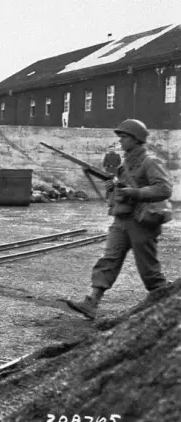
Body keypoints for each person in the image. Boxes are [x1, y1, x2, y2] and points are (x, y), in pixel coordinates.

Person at [66, 119, 173, 320]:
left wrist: (134, 192)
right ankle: (92, 301)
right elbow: (122, 189)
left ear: (136, 139)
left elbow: (164, 189)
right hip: (122, 219)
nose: (120, 141)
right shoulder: (126, 163)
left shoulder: (150, 162)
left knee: (148, 269)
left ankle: (169, 305)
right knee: (109, 259)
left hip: (142, 221)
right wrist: (113, 189)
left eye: (124, 137)